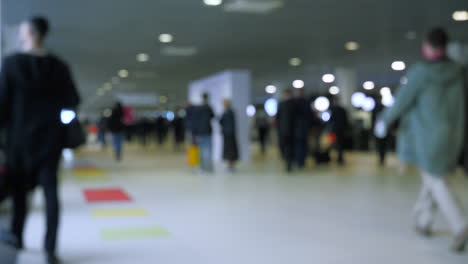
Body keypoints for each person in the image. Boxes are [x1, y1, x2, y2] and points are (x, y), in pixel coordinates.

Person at [375, 28, 468, 252]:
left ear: (427, 46)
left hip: (427, 136)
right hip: (454, 134)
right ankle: (423, 221)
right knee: (432, 177)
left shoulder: (421, 73)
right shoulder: (459, 73)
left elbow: (402, 101)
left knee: (436, 180)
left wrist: (384, 121)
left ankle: (460, 224)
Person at [0, 17, 80, 264]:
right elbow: (72, 100)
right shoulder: (58, 66)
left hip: (18, 140)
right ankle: (50, 248)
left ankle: (17, 239)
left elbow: (2, 105)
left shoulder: (11, 64)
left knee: (20, 195)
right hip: (49, 140)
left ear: (29, 33)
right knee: (50, 194)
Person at [192, 93, 215, 172]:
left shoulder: (198, 108)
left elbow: (194, 121)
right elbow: (213, 116)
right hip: (207, 131)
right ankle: (208, 167)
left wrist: (194, 132)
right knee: (208, 150)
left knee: (201, 150)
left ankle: (202, 167)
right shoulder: (209, 107)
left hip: (200, 132)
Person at [276, 89, 296, 172]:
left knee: (290, 146)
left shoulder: (293, 104)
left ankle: (289, 162)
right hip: (283, 130)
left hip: (291, 130)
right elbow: (278, 117)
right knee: (284, 146)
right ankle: (287, 160)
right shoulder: (281, 104)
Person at [293, 89, 311, 169]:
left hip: (302, 128)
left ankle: (301, 161)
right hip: (299, 128)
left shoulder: (303, 102)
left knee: (302, 145)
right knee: (299, 145)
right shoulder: (295, 102)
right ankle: (299, 161)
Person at [328, 96, 349, 165]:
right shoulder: (337, 110)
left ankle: (339, 158)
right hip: (336, 130)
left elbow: (331, 121)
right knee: (336, 144)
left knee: (339, 144)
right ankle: (337, 158)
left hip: (338, 130)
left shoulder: (335, 110)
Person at [220, 100, 239, 172]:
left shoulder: (229, 112)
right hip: (227, 133)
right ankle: (230, 164)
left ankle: (231, 164)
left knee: (231, 149)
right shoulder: (228, 112)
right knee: (229, 149)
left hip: (229, 133)